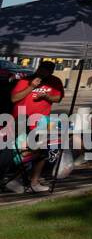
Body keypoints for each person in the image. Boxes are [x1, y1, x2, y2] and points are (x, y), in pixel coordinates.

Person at [6, 60, 64, 193]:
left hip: (41, 122)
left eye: (49, 70)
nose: (45, 72)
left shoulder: (55, 81)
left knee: (41, 152)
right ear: (38, 69)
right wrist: (31, 87)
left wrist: (47, 96)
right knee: (22, 152)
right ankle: (15, 179)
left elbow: (58, 98)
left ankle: (34, 182)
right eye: (43, 69)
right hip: (21, 120)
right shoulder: (25, 80)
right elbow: (14, 98)